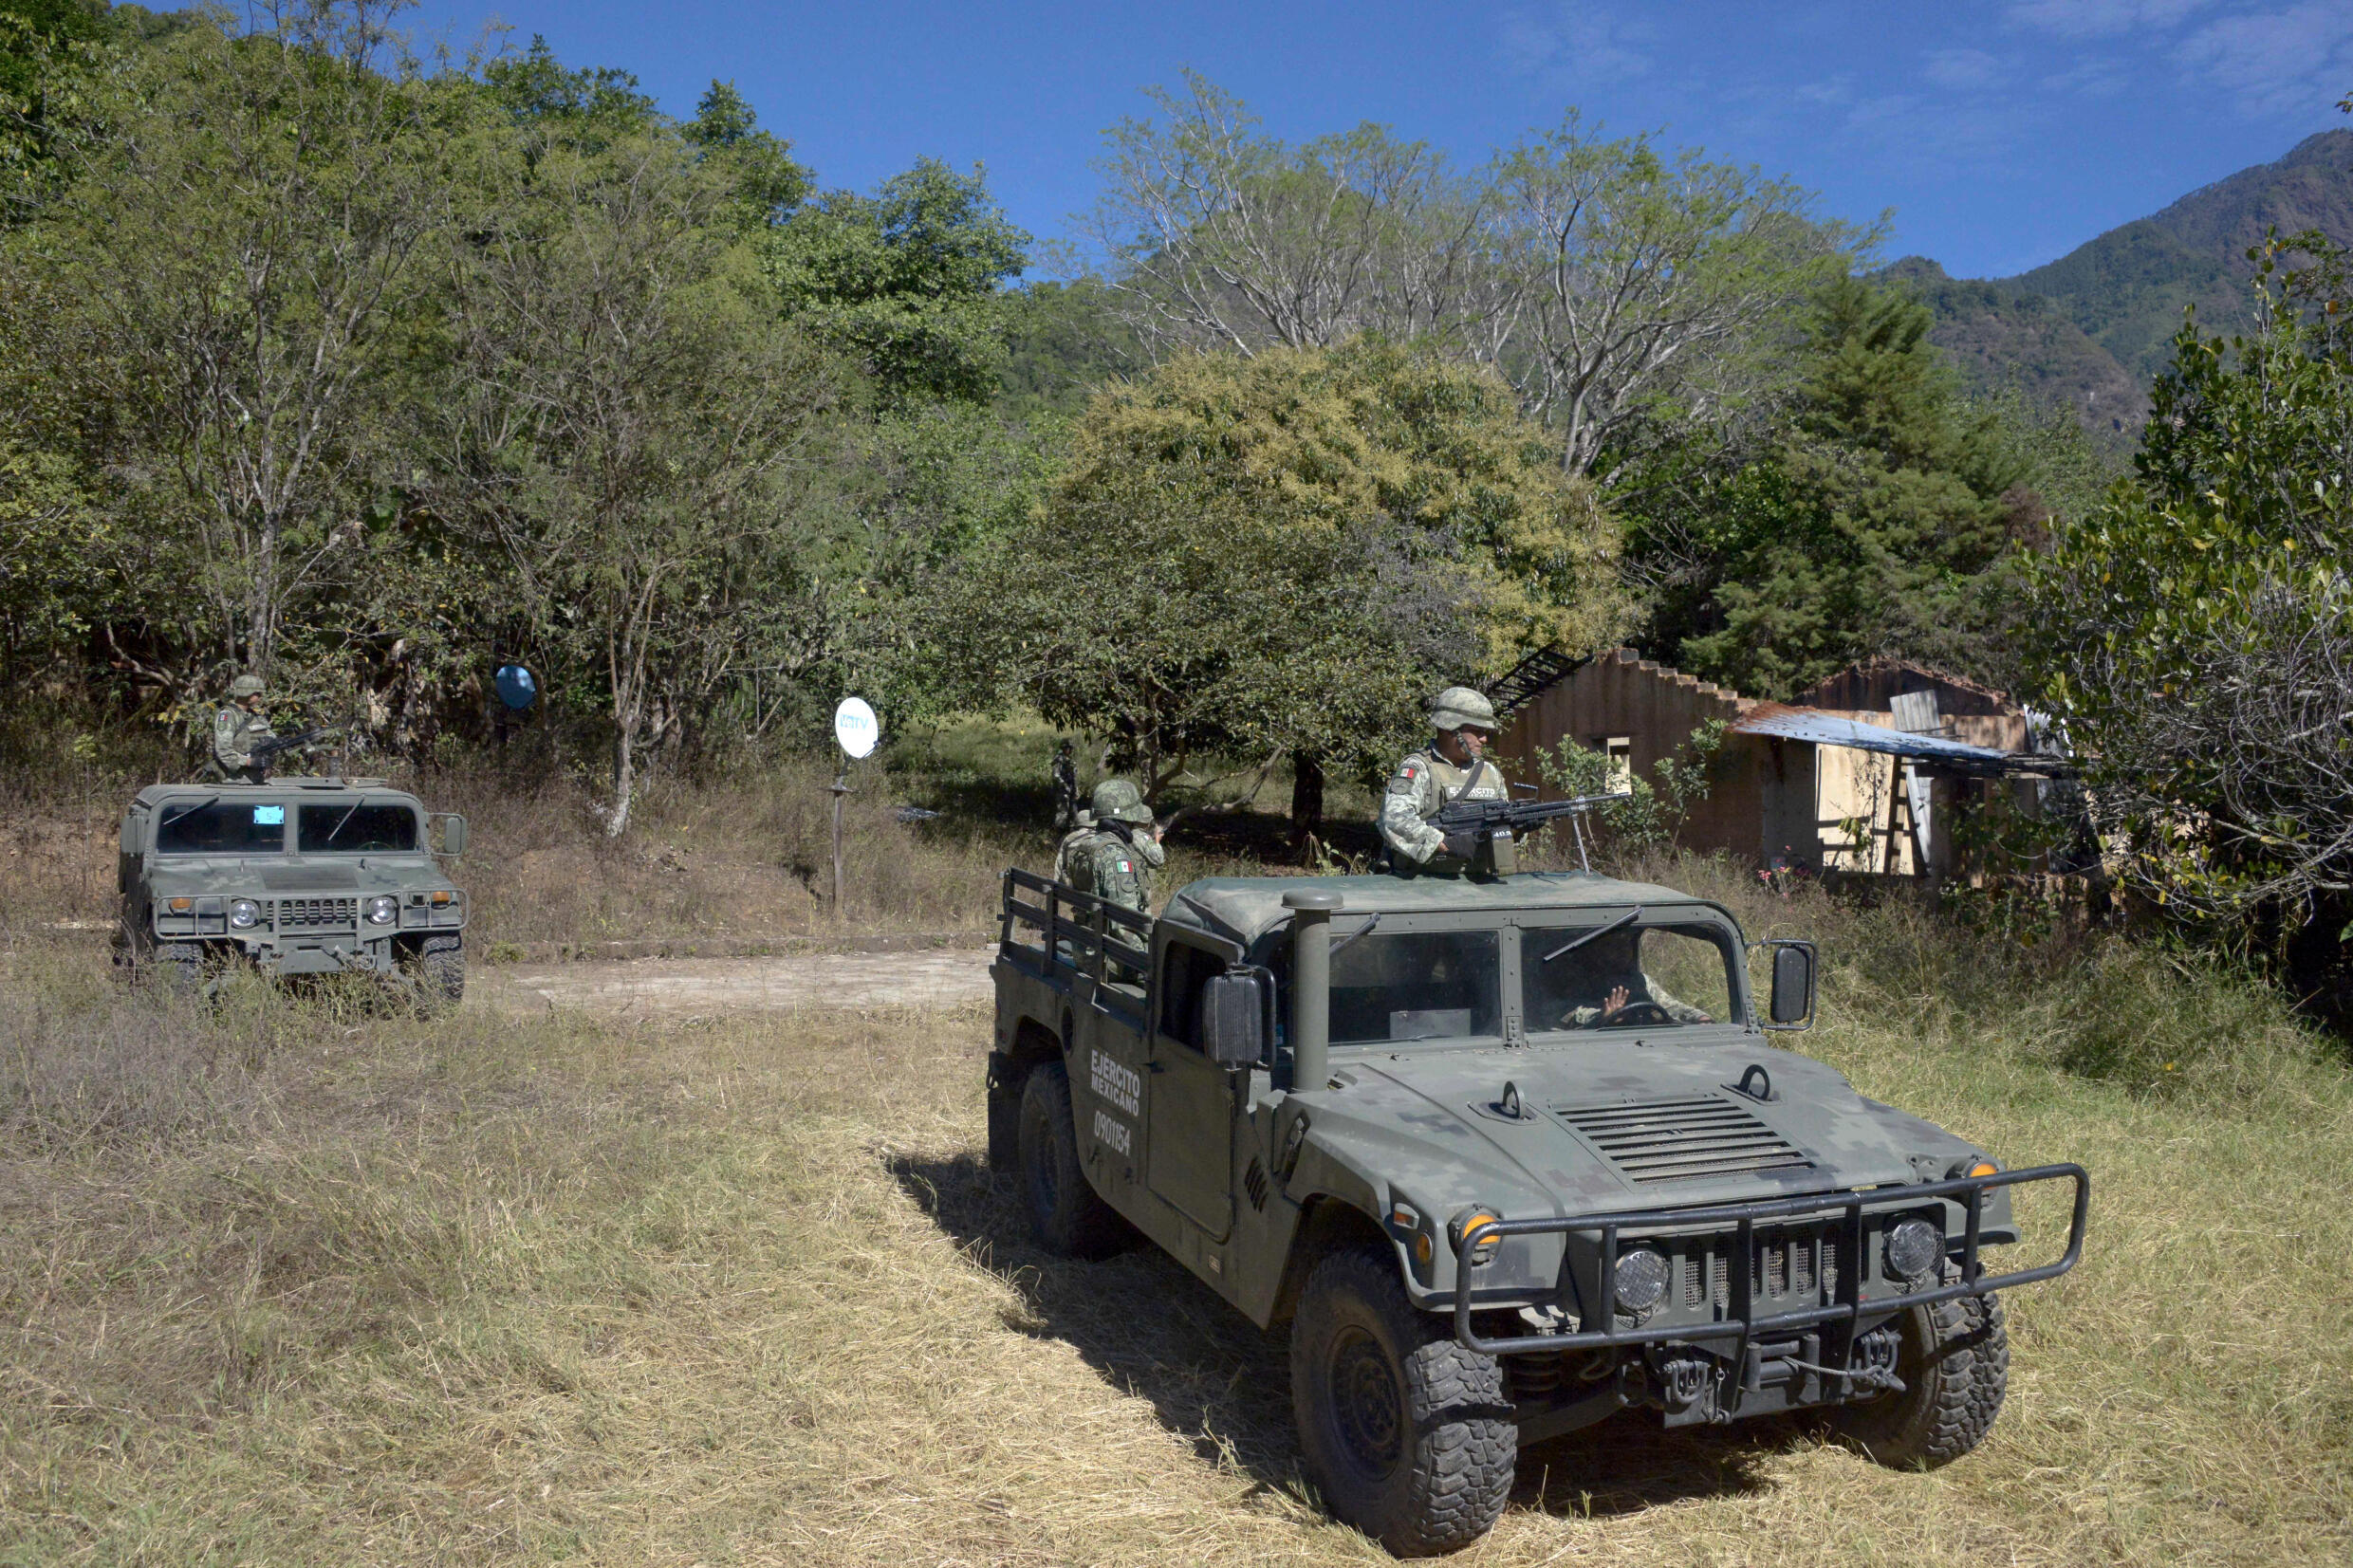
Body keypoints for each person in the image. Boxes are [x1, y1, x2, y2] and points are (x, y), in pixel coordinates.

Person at [1377, 686, 1510, 874]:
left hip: (1478, 883)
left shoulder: (1490, 773)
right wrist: (1444, 844)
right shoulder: (1419, 768)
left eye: (1486, 732)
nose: (1484, 739)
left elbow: (1502, 826)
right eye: (1476, 731)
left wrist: (1516, 828)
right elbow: (1393, 819)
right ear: (1449, 729)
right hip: (1423, 883)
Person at [1546, 929, 1713, 1028]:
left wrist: (1698, 1017)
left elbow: (1670, 1005)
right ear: (1595, 951)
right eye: (1612, 946)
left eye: (1625, 945)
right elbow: (1561, 1013)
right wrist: (1602, 1017)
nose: (1622, 952)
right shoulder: (1574, 981)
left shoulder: (1639, 981)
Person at [1056, 777, 1166, 913]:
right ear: (1129, 815)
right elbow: (1124, 925)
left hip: (1086, 930)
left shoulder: (1087, 844)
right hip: (1104, 933)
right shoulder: (1115, 856)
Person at [199, 673, 275, 784]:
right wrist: (250, 762)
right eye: (257, 694)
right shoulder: (227, 716)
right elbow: (224, 751)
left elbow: (270, 737)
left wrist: (266, 759)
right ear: (246, 693)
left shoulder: (256, 717)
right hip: (233, 781)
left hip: (254, 780)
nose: (259, 697)